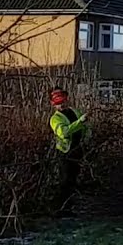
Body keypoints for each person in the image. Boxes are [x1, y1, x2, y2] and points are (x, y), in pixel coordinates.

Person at [49, 88, 90, 216]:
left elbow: (85, 127)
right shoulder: (55, 119)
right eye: (58, 102)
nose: (61, 105)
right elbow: (64, 132)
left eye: (63, 101)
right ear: (53, 104)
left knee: (73, 180)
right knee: (65, 181)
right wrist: (80, 122)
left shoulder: (74, 112)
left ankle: (70, 207)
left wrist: (87, 135)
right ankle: (60, 209)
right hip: (65, 152)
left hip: (77, 149)